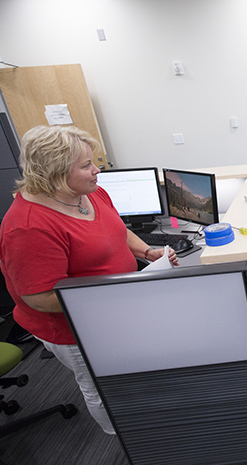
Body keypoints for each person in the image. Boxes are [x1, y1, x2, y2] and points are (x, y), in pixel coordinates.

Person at [0, 125, 179, 434]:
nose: (97, 170)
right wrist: (112, 295)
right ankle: (125, 437)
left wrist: (146, 251)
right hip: (73, 328)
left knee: (128, 368)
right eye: (86, 165)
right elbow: (39, 297)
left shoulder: (89, 192)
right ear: (54, 172)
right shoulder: (28, 227)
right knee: (101, 385)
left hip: (115, 306)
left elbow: (116, 228)